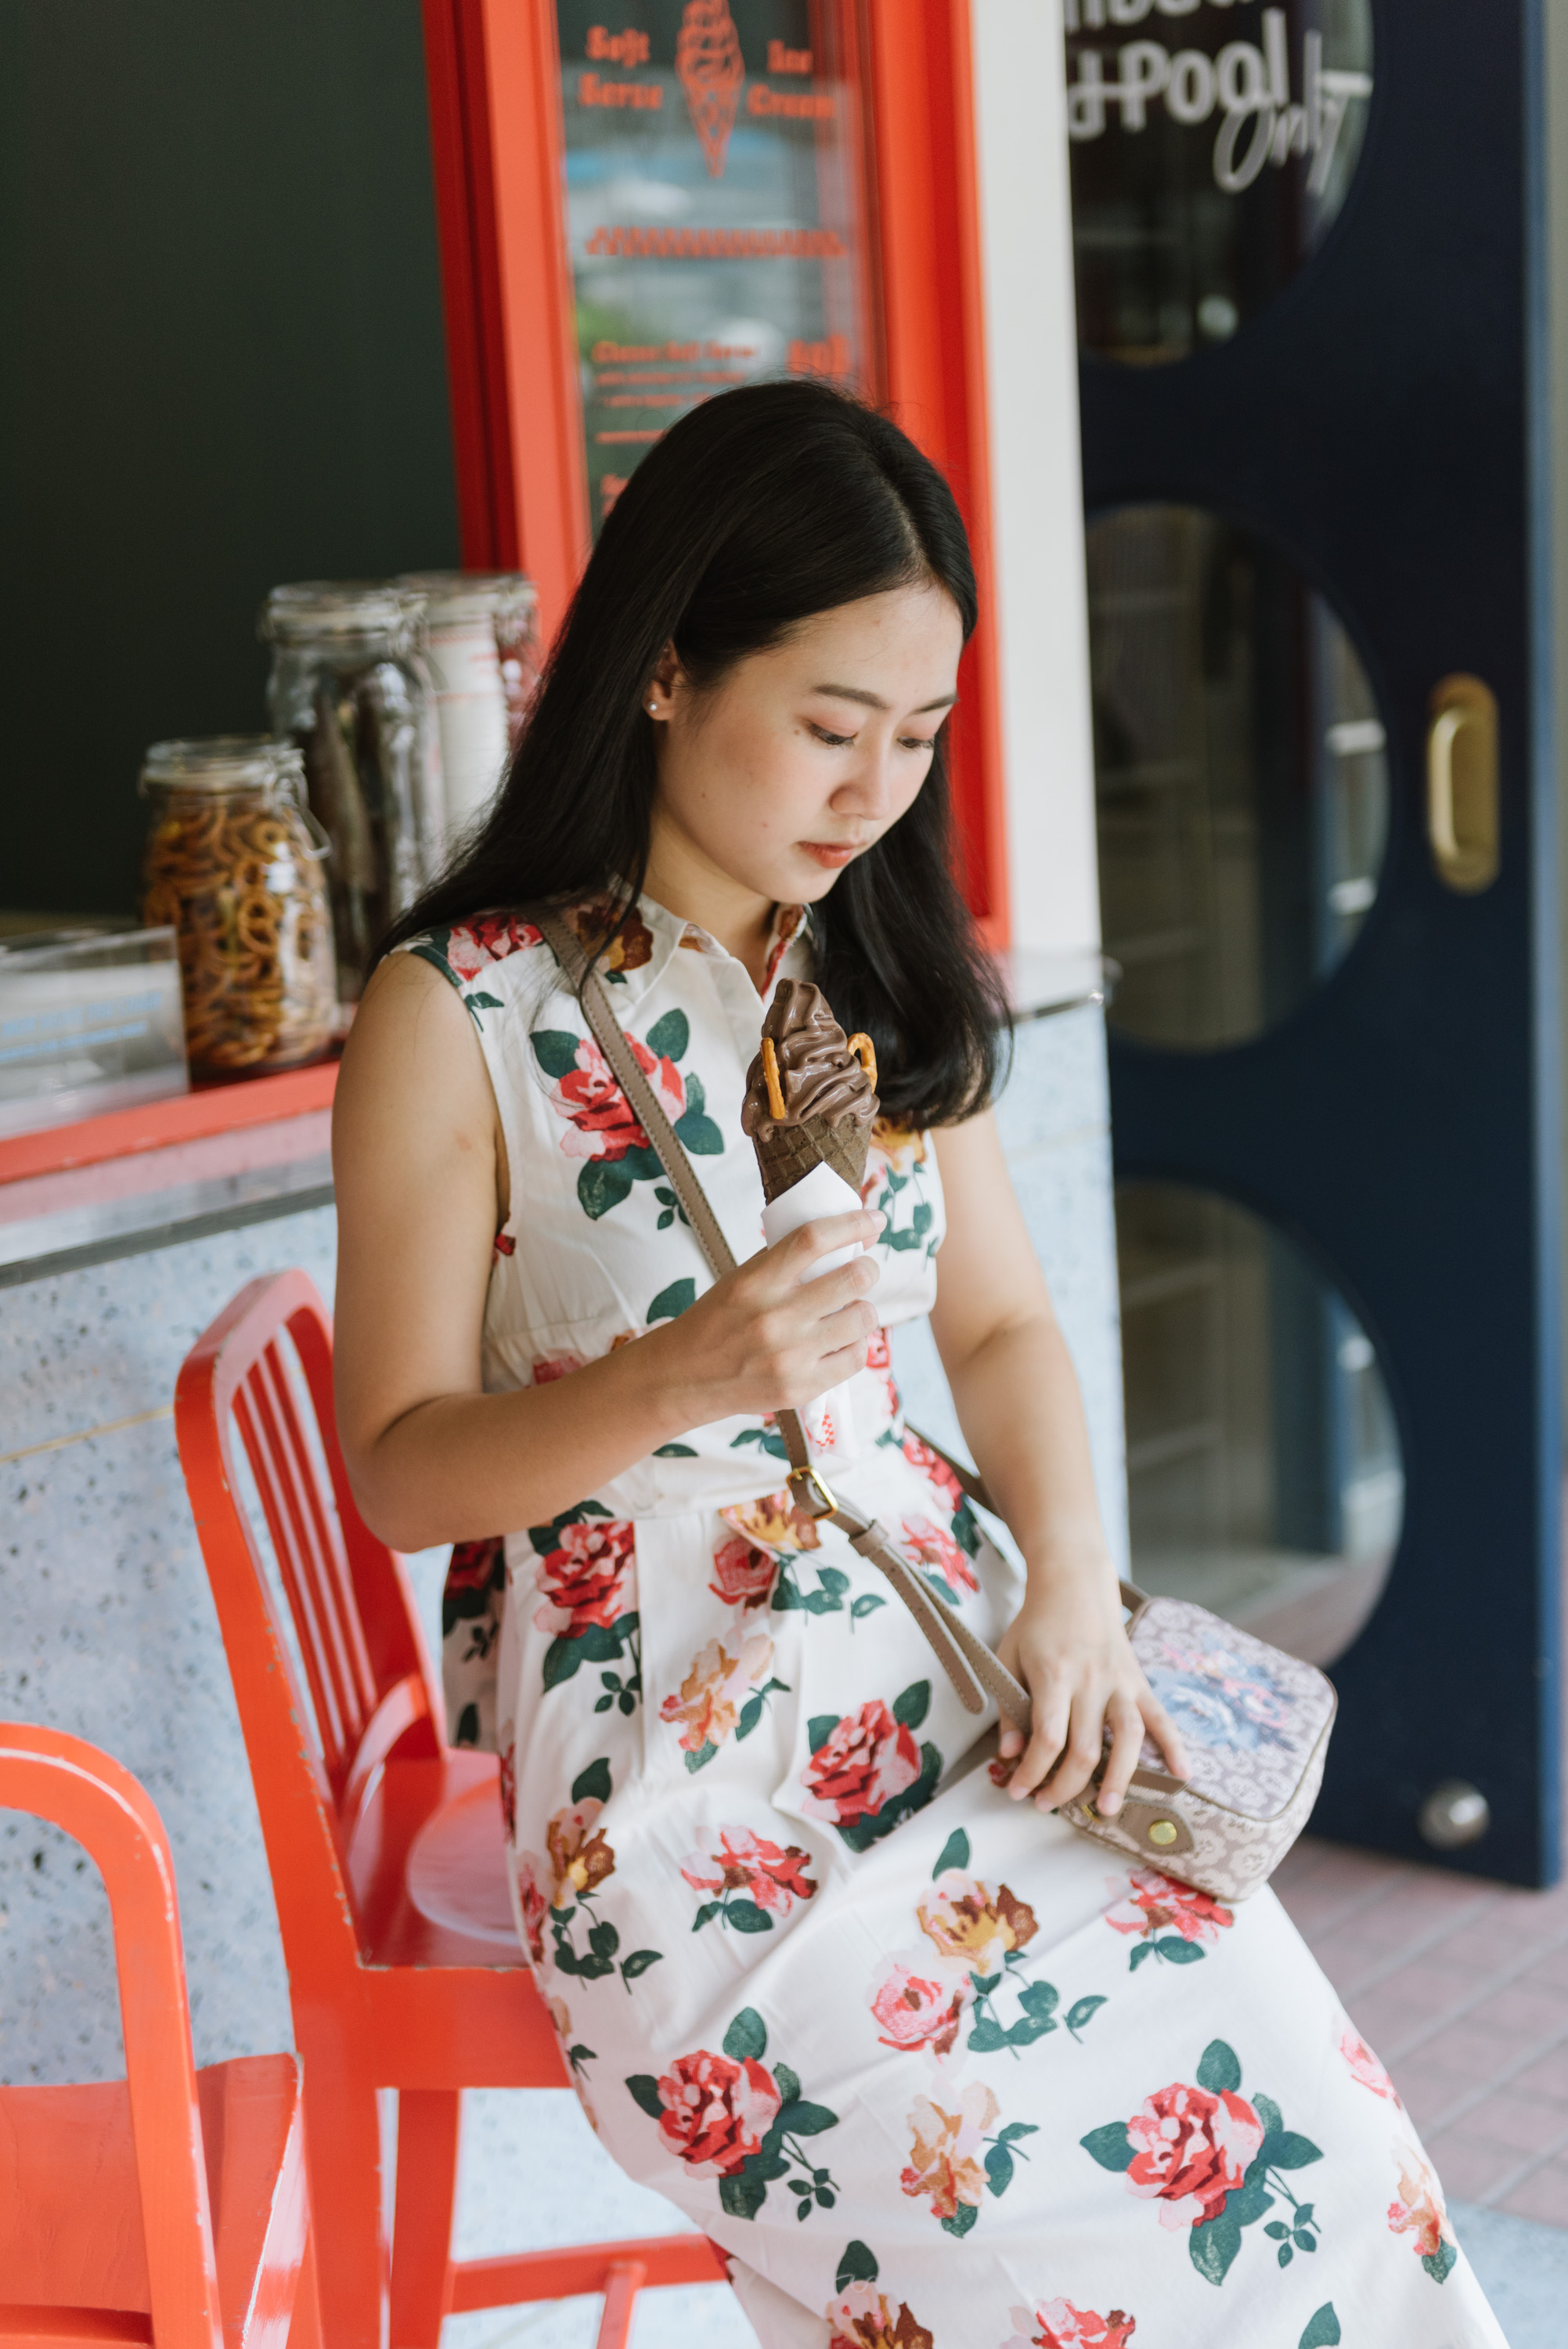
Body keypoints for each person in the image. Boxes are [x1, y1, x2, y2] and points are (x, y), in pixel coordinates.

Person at [332, 382, 1503, 2348]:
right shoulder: (458, 1011)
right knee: (1055, 2258)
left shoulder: (874, 968)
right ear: (666, 668)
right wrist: (672, 1382)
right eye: (829, 725)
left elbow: (1005, 1324)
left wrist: (1075, 1591)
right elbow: (393, 1468)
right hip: (682, 1783)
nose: (874, 788)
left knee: (1327, 2151)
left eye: (920, 734)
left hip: (967, 1685)